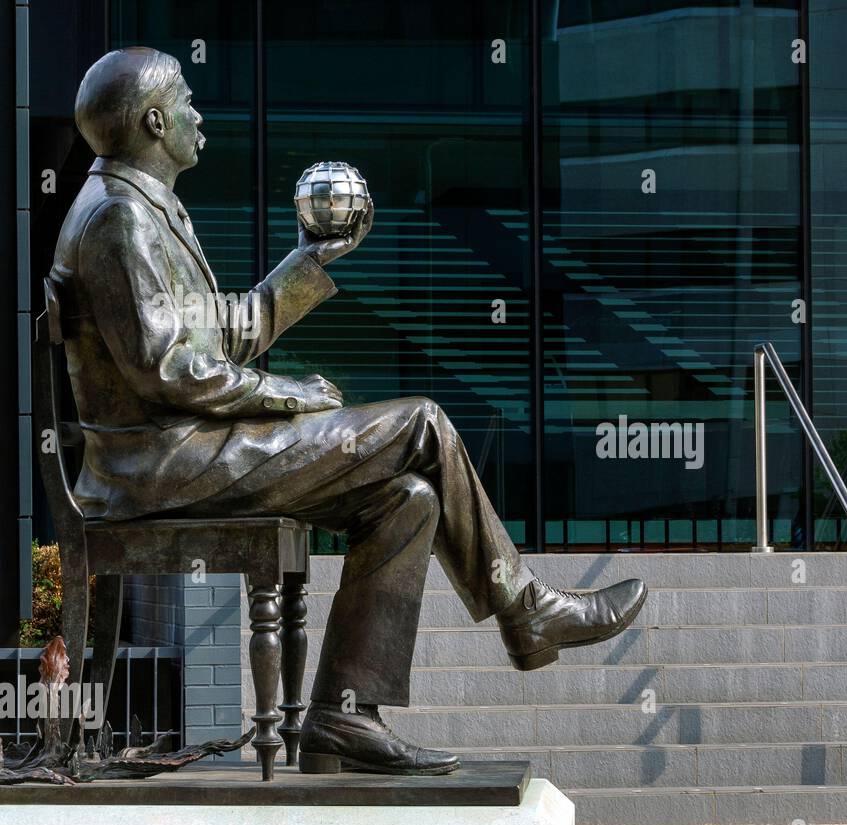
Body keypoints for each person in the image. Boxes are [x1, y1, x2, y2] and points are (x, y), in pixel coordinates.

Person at [49, 47, 646, 775]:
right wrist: (288, 393)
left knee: (410, 496)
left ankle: (343, 714)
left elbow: (219, 332)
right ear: (153, 120)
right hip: (166, 464)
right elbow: (170, 370)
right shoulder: (118, 219)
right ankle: (526, 609)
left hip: (185, 447)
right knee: (423, 422)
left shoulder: (140, 206)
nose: (199, 115)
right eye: (187, 100)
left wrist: (308, 261)